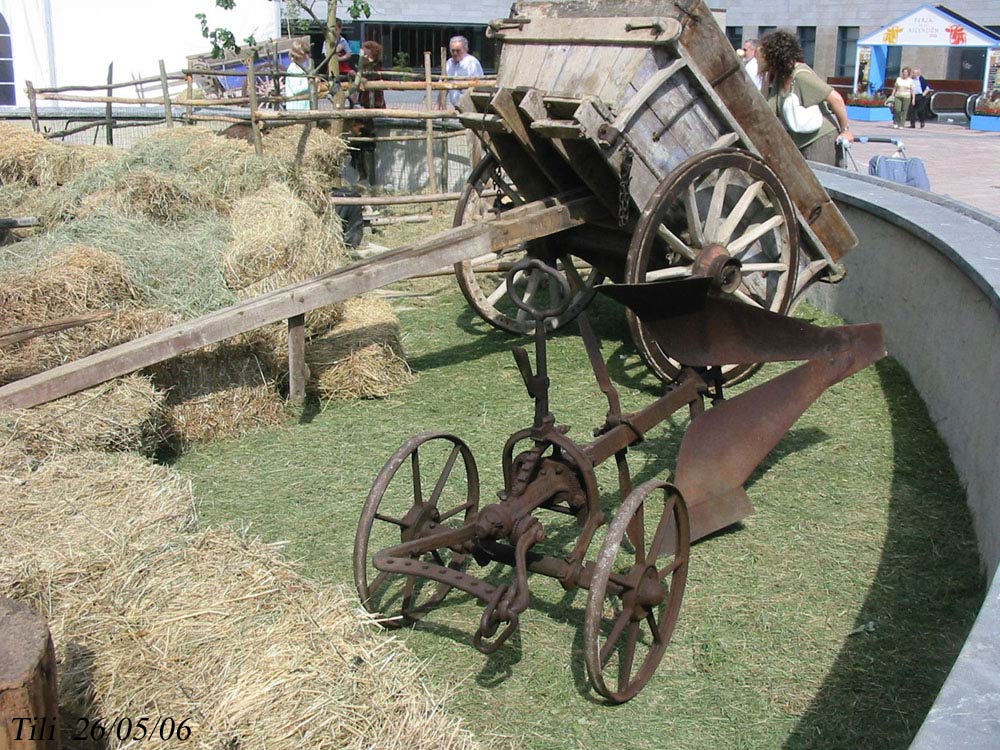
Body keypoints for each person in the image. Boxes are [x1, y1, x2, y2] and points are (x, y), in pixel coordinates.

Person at [757, 30, 853, 166]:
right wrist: (765, 77)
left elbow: (836, 99)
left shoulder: (802, 75)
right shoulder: (780, 77)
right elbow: (767, 107)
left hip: (820, 139)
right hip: (800, 142)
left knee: (820, 177)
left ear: (775, 55)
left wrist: (845, 131)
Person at [441, 36, 483, 109]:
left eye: (458, 51)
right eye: (453, 51)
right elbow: (442, 85)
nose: (455, 53)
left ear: (466, 49)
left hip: (470, 105)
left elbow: (477, 86)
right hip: (456, 106)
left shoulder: (471, 63)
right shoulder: (449, 63)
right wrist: (437, 105)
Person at [284, 38, 312, 111]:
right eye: (307, 52)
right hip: (296, 108)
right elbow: (295, 90)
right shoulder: (293, 69)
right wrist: (311, 83)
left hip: (303, 108)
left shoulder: (300, 67)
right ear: (301, 54)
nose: (309, 55)